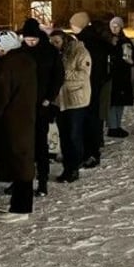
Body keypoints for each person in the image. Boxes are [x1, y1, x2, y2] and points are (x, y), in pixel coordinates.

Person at [0, 30, 38, 223]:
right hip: (26, 116)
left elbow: (2, 94)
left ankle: (21, 207)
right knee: (24, 158)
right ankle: (18, 202)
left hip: (14, 118)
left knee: (20, 160)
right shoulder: (26, 60)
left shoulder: (8, 65)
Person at [19, 19, 63, 197]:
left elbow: (58, 76)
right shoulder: (20, 52)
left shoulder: (49, 52)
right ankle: (23, 180)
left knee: (40, 145)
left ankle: (42, 180)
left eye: (33, 39)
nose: (30, 42)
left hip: (41, 105)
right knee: (23, 146)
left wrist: (48, 98)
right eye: (27, 39)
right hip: (23, 106)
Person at [71, 13, 111, 168]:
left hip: (89, 86)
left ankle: (91, 153)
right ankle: (89, 152)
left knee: (89, 120)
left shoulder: (87, 41)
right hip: (92, 85)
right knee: (89, 119)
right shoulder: (91, 39)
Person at [57, 34, 91, 183]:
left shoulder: (81, 53)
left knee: (73, 135)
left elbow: (84, 74)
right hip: (62, 100)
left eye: (56, 41)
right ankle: (67, 167)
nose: (54, 44)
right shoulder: (61, 53)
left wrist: (62, 73)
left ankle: (74, 168)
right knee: (64, 136)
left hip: (76, 99)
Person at [107, 17, 134, 138]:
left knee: (120, 102)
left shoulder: (125, 41)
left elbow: (131, 58)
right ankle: (113, 126)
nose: (114, 28)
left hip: (122, 75)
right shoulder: (108, 40)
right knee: (113, 102)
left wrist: (130, 60)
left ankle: (116, 125)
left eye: (116, 26)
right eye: (112, 26)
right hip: (112, 75)